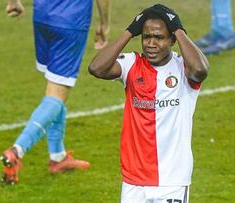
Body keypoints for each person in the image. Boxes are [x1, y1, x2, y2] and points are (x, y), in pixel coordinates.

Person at [88, 4, 209, 202]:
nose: (151, 43)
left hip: (172, 180)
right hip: (134, 179)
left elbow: (201, 70)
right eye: (146, 37)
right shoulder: (131, 64)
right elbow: (96, 68)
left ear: (172, 40)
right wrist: (130, 30)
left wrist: (178, 28)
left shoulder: (183, 68)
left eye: (159, 37)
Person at [1, 0, 110, 185]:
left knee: (56, 86)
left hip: (42, 16)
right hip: (70, 21)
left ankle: (58, 157)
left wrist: (13, 1)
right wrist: (104, 23)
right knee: (57, 93)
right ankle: (16, 151)